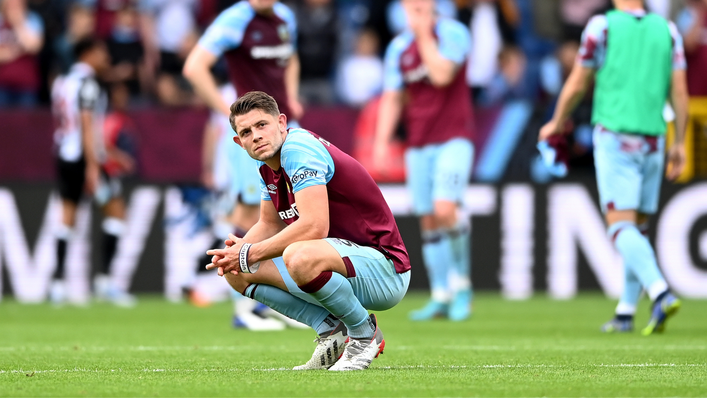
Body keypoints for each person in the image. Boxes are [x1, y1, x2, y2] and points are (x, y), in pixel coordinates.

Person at [206, 91, 411, 371]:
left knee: (298, 255)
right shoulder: (265, 164)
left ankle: (365, 333)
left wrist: (249, 252)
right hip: (340, 264)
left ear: (281, 122)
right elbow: (269, 223)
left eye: (261, 125)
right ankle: (331, 331)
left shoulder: (298, 150)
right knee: (237, 270)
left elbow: (315, 226)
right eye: (246, 132)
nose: (255, 136)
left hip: (385, 271)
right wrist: (234, 255)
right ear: (238, 142)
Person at [539, 0, 688, 335]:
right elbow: (678, 90)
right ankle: (626, 312)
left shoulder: (602, 26)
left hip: (616, 137)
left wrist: (556, 121)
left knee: (619, 227)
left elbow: (578, 82)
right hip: (654, 139)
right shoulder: (668, 30)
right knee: (637, 227)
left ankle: (660, 291)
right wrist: (679, 141)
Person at [182, 0, 302, 327]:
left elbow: (290, 59)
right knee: (251, 214)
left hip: (285, 129)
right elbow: (194, 67)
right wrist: (232, 118)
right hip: (256, 139)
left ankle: (274, 302)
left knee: (286, 213)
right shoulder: (236, 20)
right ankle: (245, 307)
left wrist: (292, 98)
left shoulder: (285, 18)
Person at [373, 0, 475, 322]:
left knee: (446, 209)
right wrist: (380, 142)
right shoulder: (398, 48)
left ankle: (463, 286)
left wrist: (424, 35)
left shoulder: (453, 33)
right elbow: (392, 97)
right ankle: (440, 295)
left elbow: (443, 74)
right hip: (418, 142)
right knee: (429, 218)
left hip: (454, 137)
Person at [50, 37, 135, 307]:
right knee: (116, 211)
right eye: (102, 51)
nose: (105, 57)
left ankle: (58, 285)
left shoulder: (62, 82)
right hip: (85, 159)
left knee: (67, 218)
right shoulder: (89, 84)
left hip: (64, 154)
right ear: (88, 53)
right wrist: (93, 166)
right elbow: (87, 125)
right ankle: (105, 282)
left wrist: (109, 153)